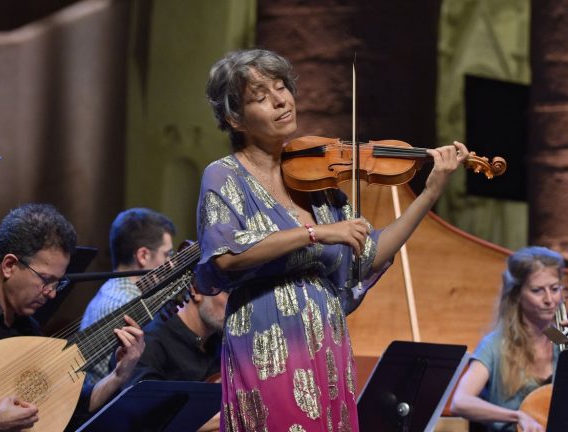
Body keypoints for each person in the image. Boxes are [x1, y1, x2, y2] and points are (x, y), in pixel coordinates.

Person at [196, 48, 469, 431]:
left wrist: (429, 194)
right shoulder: (224, 176)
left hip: (326, 342)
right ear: (234, 118)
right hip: (267, 343)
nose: (280, 101)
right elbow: (225, 256)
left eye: (281, 87)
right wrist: (315, 232)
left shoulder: (316, 181)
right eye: (261, 97)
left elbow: (366, 256)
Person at [0, 203, 145, 431]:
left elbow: (75, 408)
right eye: (45, 280)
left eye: (57, 283)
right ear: (9, 265)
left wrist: (118, 376)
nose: (52, 293)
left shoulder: (27, 328)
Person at [450, 246, 568, 432]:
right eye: (537, 290)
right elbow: (460, 402)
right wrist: (517, 416)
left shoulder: (566, 344)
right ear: (517, 295)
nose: (549, 299)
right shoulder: (495, 345)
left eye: (555, 288)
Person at [80, 207, 175, 384]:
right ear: (143, 255)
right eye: (167, 254)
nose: (170, 264)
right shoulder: (126, 304)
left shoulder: (111, 291)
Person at [123, 288, 228, 432]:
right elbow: (143, 418)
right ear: (196, 290)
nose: (236, 302)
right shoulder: (149, 341)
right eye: (228, 291)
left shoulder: (221, 342)